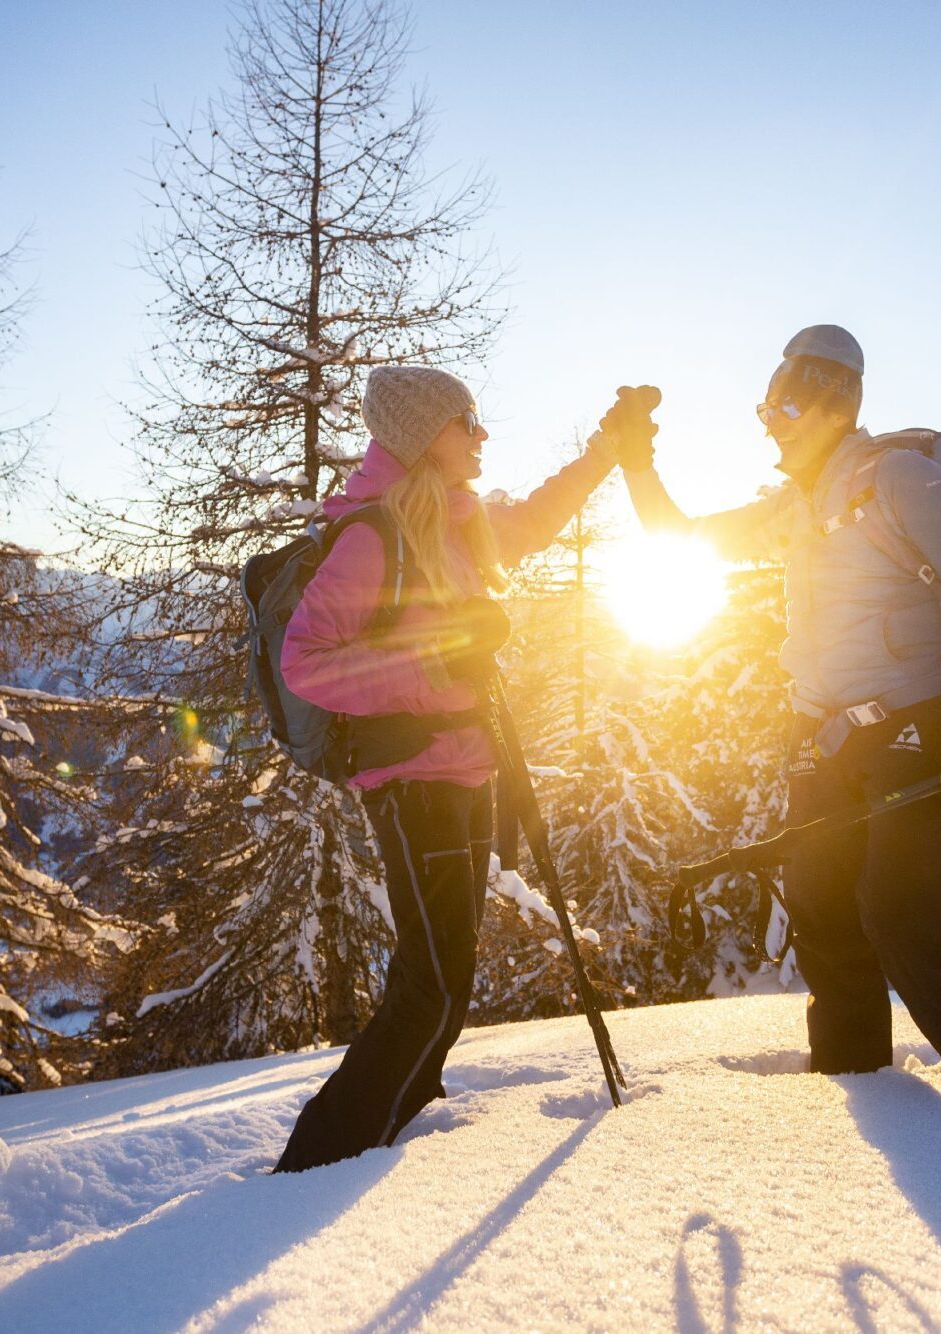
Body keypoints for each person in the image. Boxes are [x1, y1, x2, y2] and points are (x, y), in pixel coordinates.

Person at [601, 325, 941, 1079]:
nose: (769, 425)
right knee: (820, 904)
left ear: (830, 407)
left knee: (902, 910)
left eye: (783, 410)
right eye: (766, 410)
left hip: (919, 719)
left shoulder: (897, 477)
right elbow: (679, 535)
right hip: (824, 735)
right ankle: (852, 1074)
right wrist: (638, 462)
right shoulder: (793, 506)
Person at [273, 365, 626, 1172]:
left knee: (449, 979)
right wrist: (438, 669)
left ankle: (401, 1125)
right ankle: (318, 1165)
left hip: (467, 773)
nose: (481, 433)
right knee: (429, 986)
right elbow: (308, 661)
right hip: (413, 783)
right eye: (466, 419)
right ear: (423, 435)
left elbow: (536, 519)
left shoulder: (457, 521)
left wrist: (604, 452)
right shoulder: (374, 535)